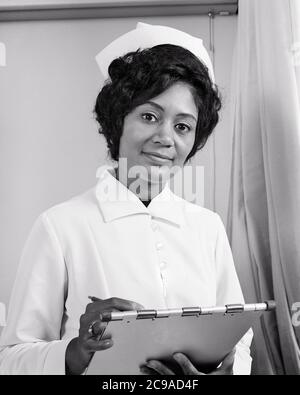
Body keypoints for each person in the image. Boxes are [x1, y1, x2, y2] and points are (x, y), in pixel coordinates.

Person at [0, 22, 252, 375]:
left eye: (183, 126)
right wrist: (76, 352)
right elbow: (11, 359)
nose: (166, 138)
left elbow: (238, 342)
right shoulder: (61, 226)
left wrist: (228, 371)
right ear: (118, 120)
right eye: (149, 116)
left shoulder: (208, 228)